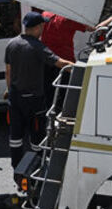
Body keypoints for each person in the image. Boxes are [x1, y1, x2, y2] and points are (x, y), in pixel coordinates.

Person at [4, 12, 74, 170]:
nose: (44, 28)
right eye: (42, 26)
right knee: (37, 137)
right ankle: (37, 168)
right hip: (34, 101)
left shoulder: (12, 44)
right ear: (36, 27)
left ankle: (17, 167)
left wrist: (9, 90)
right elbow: (60, 63)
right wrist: (81, 69)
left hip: (15, 99)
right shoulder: (38, 47)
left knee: (15, 137)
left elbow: (8, 71)